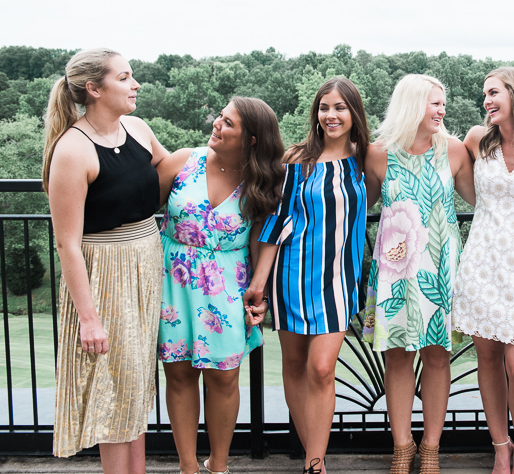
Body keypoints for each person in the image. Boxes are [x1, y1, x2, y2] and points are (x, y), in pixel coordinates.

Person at [42, 48, 168, 473]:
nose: (135, 85)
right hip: (106, 273)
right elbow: (67, 244)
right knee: (114, 389)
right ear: (94, 89)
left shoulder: (137, 129)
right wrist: (89, 318)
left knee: (134, 386)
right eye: (125, 77)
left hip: (146, 262)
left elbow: (169, 173)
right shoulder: (73, 150)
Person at [243, 78, 370, 474]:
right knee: (295, 366)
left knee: (320, 368)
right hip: (292, 275)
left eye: (339, 108)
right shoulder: (296, 161)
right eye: (324, 107)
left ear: (354, 114)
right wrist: (259, 284)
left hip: (337, 280)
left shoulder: (367, 158)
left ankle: (315, 460)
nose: (330, 115)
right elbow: (276, 223)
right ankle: (313, 459)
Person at [156, 96, 284, 474]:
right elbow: (135, 202)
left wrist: (259, 291)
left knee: (224, 377)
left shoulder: (260, 181)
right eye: (220, 117)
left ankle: (219, 466)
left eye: (228, 123)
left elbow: (264, 241)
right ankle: (188, 467)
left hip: (228, 286)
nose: (216, 124)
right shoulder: (183, 161)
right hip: (173, 283)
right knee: (179, 374)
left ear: (252, 140)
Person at [362, 74, 475, 474]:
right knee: (397, 358)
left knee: (437, 357)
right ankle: (402, 448)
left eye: (443, 103)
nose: (442, 110)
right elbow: (360, 207)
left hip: (440, 268)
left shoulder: (456, 151)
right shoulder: (378, 155)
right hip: (395, 270)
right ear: (412, 105)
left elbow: (483, 202)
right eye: (434, 103)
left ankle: (430, 449)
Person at [453, 67, 514, 474]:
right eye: (485, 95)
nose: (487, 100)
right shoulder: (477, 140)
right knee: (487, 360)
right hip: (482, 261)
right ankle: (500, 447)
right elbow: (464, 188)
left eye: (494, 93)